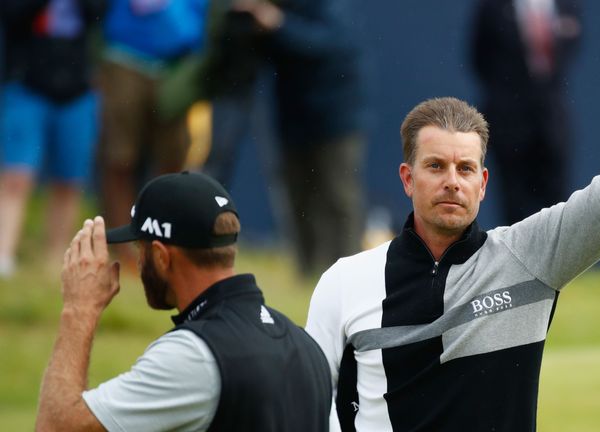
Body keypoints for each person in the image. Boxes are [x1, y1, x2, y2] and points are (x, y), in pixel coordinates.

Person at [305, 20, 600, 431]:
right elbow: (305, 409)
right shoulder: (345, 282)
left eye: (465, 169)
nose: (451, 182)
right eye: (435, 166)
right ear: (407, 178)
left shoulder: (528, 257)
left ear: (483, 183)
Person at [36, 172, 332, 431]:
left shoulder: (194, 355)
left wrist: (79, 309)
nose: (138, 263)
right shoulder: (304, 344)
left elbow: (57, 426)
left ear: (162, 257)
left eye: (140, 248)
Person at [209, 0, 368, 277]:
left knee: (338, 197)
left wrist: (278, 23)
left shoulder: (329, 7)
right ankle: (307, 273)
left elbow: (328, 43)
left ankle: (348, 274)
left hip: (336, 116)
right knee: (297, 197)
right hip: (293, 117)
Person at [96, 0, 208, 267]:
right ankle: (122, 249)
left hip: (179, 63)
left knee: (173, 165)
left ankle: (161, 247)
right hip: (125, 55)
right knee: (119, 158)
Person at [0, 0, 106, 277]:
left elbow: (98, 14)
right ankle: (4, 256)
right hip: (26, 84)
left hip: (77, 89)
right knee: (16, 177)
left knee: (69, 182)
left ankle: (56, 260)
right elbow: (13, 15)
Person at [471, 0, 582, 224]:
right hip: (508, 119)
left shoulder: (567, 5)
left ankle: (558, 257)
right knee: (514, 200)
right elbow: (478, 58)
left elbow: (573, 46)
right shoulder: (492, 7)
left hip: (552, 118)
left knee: (557, 198)